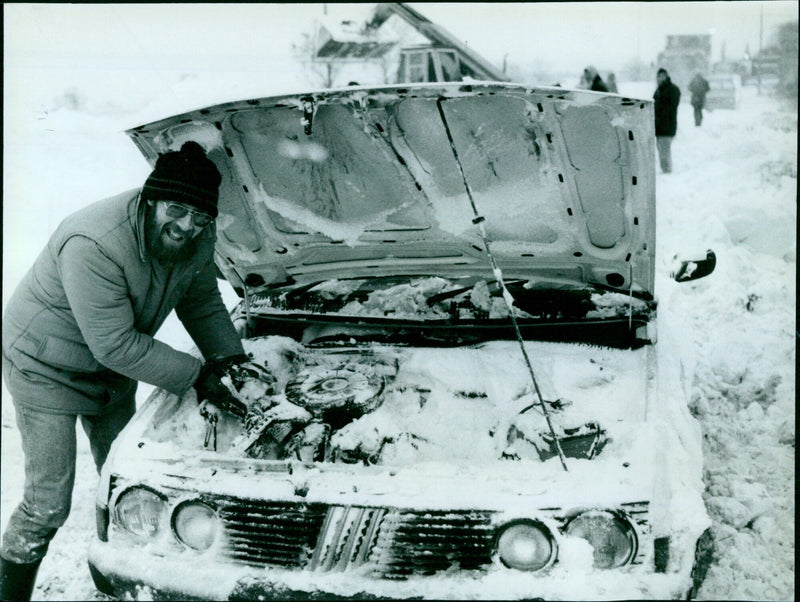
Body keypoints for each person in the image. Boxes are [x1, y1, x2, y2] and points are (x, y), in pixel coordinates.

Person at [0, 141, 256, 600]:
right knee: (48, 503)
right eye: (176, 209)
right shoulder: (93, 242)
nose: (187, 226)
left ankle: (112, 580)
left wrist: (230, 360)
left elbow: (200, 300)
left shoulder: (197, 232)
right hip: (46, 367)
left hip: (113, 367)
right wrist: (198, 375)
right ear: (151, 198)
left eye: (199, 217)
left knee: (126, 486)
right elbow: (115, 344)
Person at [653, 68, 681, 173]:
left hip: (667, 125)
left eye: (662, 76)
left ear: (666, 76)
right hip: (659, 126)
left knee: (664, 149)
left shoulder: (673, 89)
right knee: (661, 149)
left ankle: (667, 171)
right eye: (658, 76)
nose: (660, 78)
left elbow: (672, 107)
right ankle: (665, 169)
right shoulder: (658, 90)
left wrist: (661, 115)